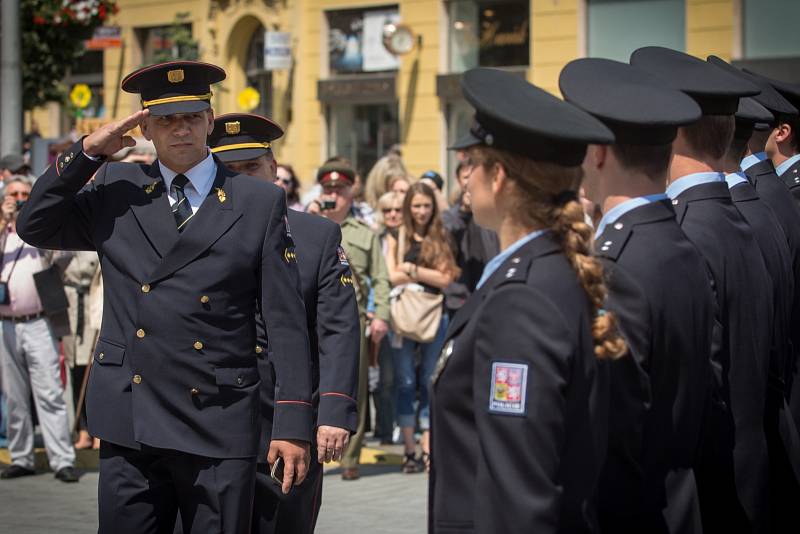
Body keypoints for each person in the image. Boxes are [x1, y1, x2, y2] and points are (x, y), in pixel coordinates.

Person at [16, 61, 313, 533]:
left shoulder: (256, 201)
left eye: (192, 117)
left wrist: (294, 423)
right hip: (131, 415)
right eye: (167, 120)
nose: (181, 130)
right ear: (146, 127)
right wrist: (88, 152)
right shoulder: (118, 188)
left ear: (210, 122)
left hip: (217, 414)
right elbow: (34, 224)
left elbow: (285, 321)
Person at [429, 67, 622, 533]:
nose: (465, 177)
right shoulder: (547, 269)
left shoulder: (521, 300)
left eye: (471, 162)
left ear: (498, 176)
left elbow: (519, 493)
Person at [561, 57, 714, 533]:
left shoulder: (617, 264)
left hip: (634, 509)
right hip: (678, 500)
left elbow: (612, 429)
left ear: (598, 152)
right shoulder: (679, 241)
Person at [631, 46, 775, 534]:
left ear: (669, 128)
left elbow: (696, 397)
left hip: (715, 487)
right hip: (753, 467)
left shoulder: (688, 231)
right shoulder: (749, 213)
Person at [208, 112, 361, 534]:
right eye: (230, 169)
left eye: (252, 167)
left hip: (286, 417)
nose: (243, 178)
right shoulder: (197, 232)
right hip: (213, 420)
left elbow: (339, 328)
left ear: (274, 170)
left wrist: (333, 412)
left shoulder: (315, 236)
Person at [310, 159, 391, 480]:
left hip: (351, 320)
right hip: (309, 316)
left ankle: (350, 457)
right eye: (328, 189)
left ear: (350, 193)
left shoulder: (363, 234)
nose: (334, 196)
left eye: (339, 190)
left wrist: (381, 315)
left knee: (352, 386)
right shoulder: (305, 223)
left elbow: (380, 277)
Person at [0, 176, 78, 483]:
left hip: (39, 321)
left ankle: (62, 459)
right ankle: (21, 457)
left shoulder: (40, 228)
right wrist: (4, 220)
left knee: (49, 393)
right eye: (13, 195)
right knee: (13, 396)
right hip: (6, 324)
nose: (18, 199)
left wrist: (34, 215)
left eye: (24, 194)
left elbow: (66, 255)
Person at [385, 182, 458, 473]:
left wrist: (412, 270)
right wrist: (428, 274)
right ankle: (409, 448)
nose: (421, 211)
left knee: (430, 380)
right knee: (405, 383)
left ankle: (428, 445)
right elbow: (391, 275)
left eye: (426, 205)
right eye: (416, 205)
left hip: (433, 314)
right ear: (408, 207)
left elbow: (446, 278)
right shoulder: (396, 234)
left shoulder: (440, 234)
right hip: (403, 316)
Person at [441, 160, 499, 316]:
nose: (470, 182)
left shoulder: (493, 212)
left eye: (474, 176)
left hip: (490, 293)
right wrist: (465, 211)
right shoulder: (450, 215)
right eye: (466, 177)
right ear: (459, 180)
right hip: (460, 298)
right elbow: (451, 237)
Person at [372, 191, 405, 444]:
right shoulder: (375, 238)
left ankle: (400, 427)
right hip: (379, 313)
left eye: (398, 210)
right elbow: (378, 278)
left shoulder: (411, 237)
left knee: (402, 377)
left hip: (407, 315)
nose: (393, 215)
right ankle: (384, 430)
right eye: (387, 210)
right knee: (383, 378)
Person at [62, 250, 101, 450]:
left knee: (94, 372)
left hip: (92, 306)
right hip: (69, 310)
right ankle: (83, 430)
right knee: (75, 372)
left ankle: (98, 432)